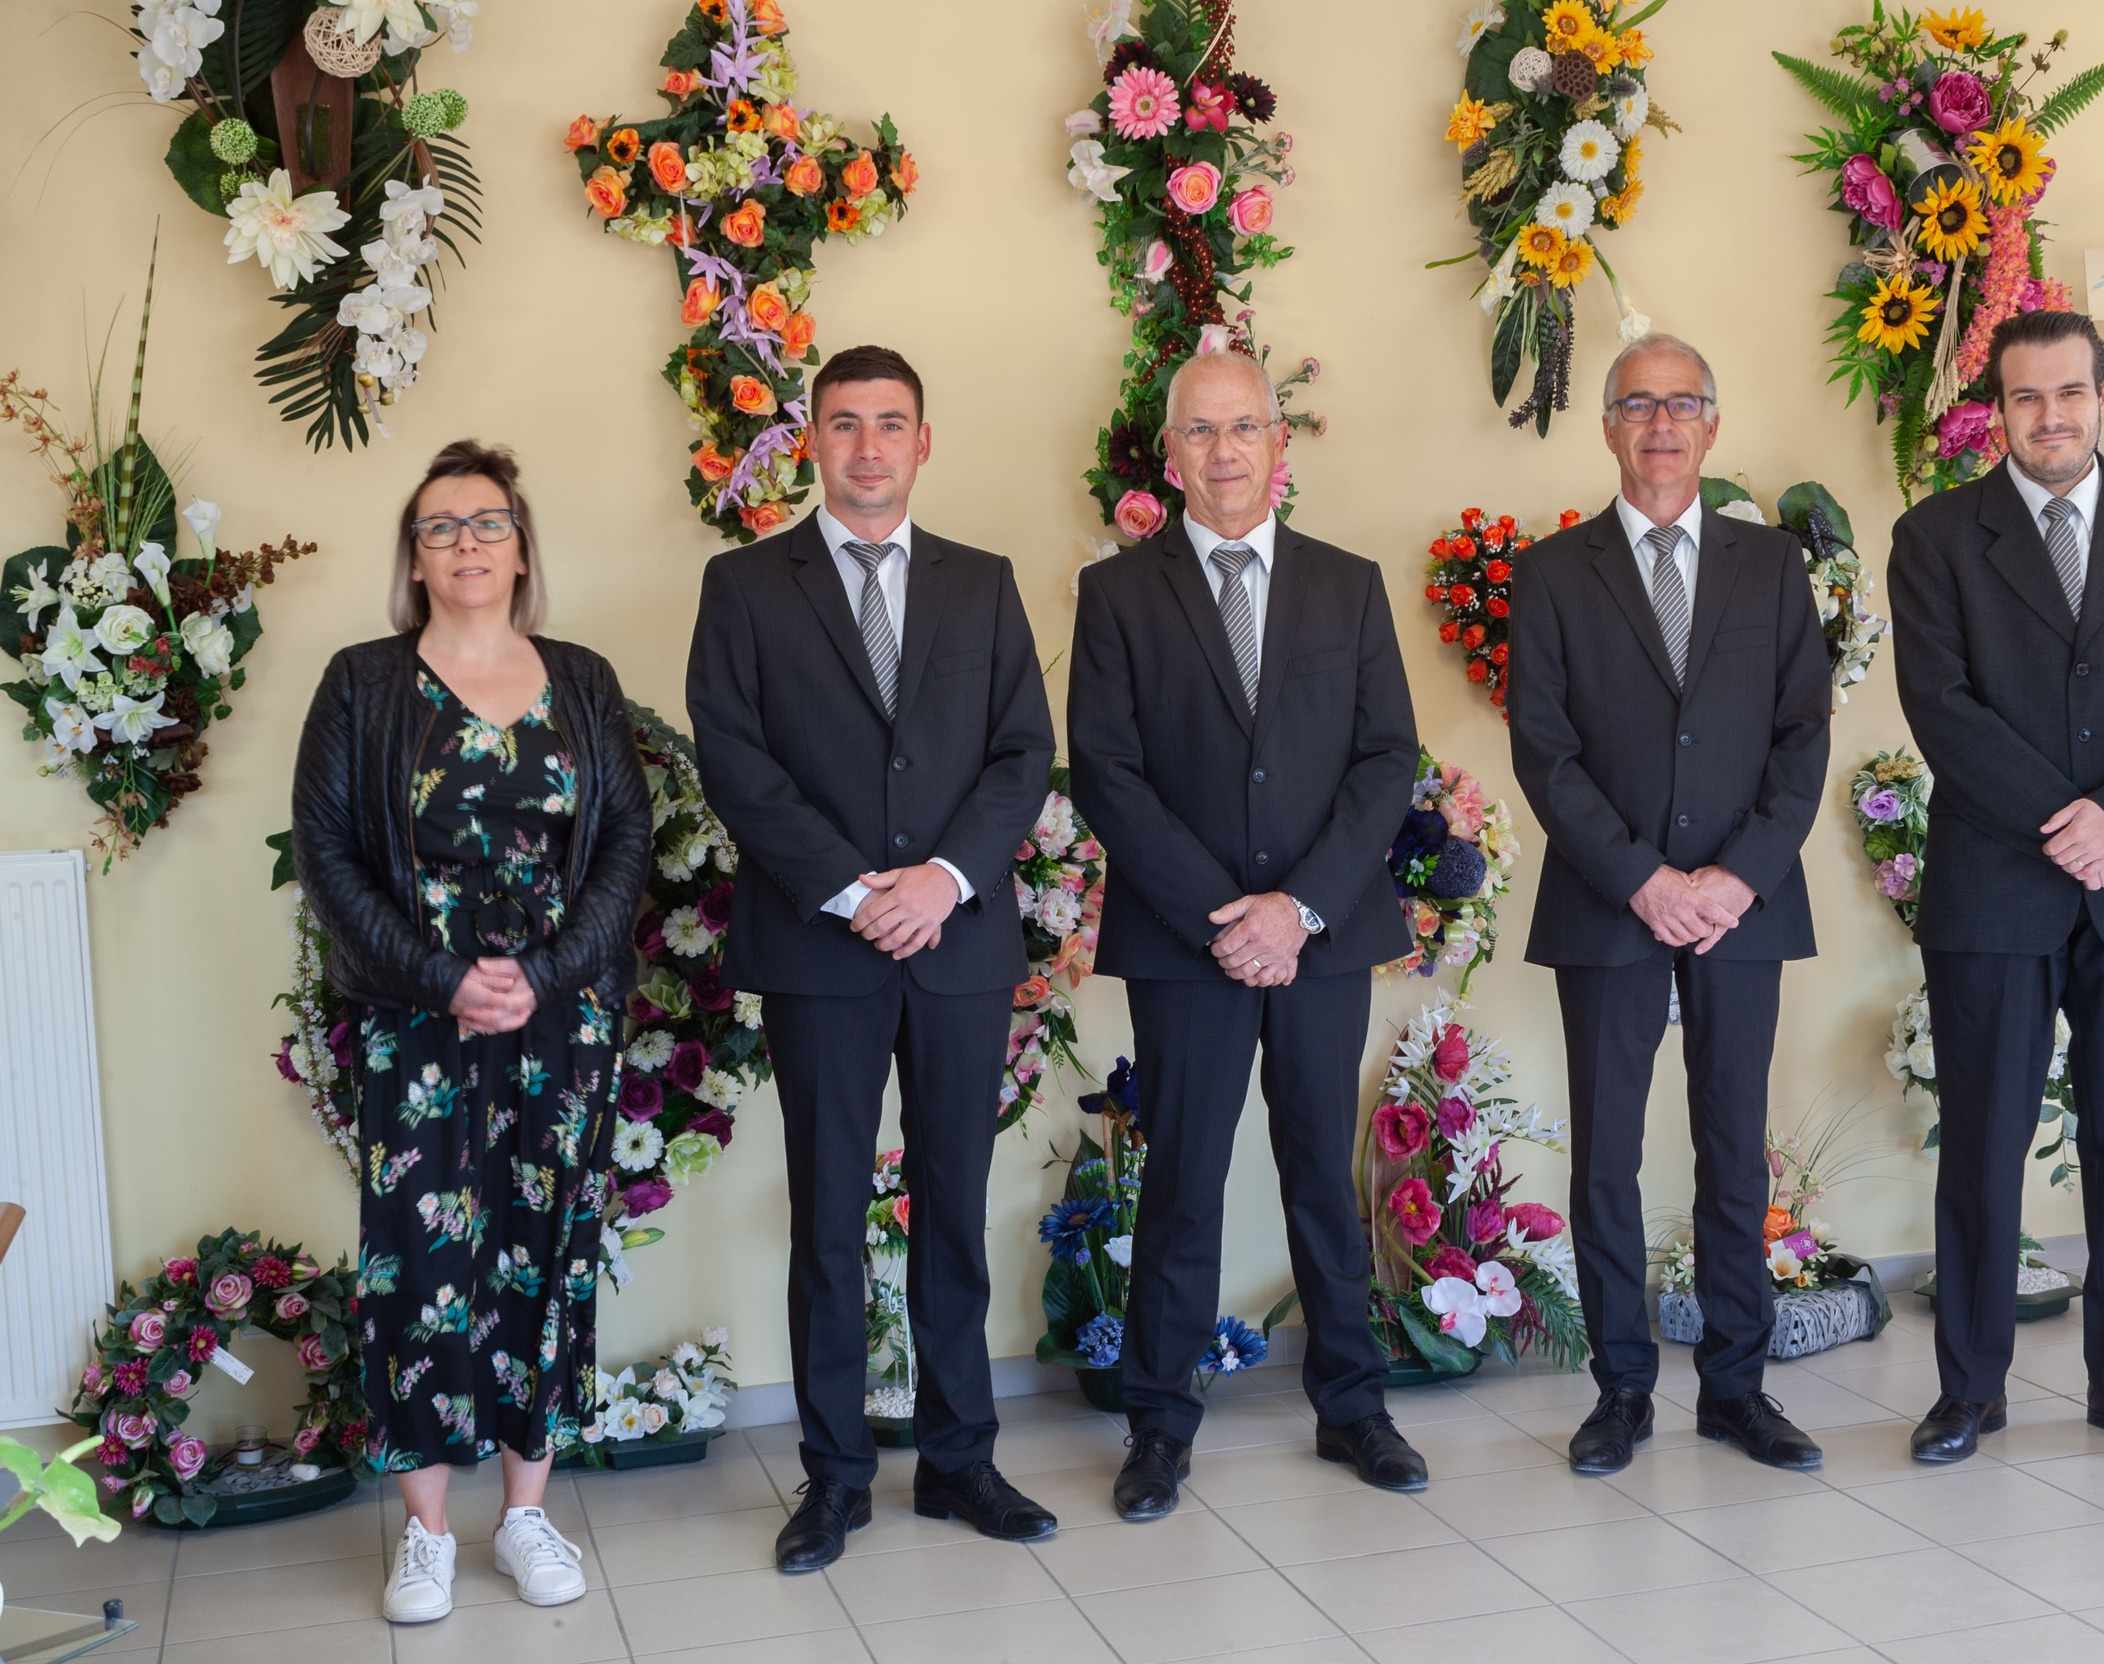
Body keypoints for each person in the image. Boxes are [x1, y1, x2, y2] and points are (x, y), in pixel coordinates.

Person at [686, 344, 1057, 1569]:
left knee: (954, 1206)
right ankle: (834, 1476)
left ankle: (960, 1461)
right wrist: (854, 890)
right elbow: (737, 759)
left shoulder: (983, 581)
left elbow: (1019, 754)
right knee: (831, 1216)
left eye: (890, 422)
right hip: (822, 947)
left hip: (956, 941)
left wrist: (942, 880)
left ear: (923, 439)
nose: (867, 447)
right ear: (811, 438)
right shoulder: (744, 584)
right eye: (843, 424)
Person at [292, 440, 650, 1624]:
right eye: (440, 526)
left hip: (564, 1013)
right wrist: (443, 976)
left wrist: (544, 971)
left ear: (522, 542)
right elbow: (330, 855)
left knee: (545, 1247)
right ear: (413, 552)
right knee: (421, 1258)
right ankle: (429, 1534)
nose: (466, 543)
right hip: (415, 1017)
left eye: (486, 521)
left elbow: (622, 850)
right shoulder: (362, 681)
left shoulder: (584, 678)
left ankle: (529, 1514)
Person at [1068, 349, 1426, 1520]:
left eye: (1245, 428)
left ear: (1280, 444)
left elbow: (1385, 759)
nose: (1225, 451)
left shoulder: (1348, 583)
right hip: (1188, 943)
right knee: (1182, 1179)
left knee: (1327, 1169)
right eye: (1201, 432)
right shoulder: (1117, 593)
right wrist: (1226, 915)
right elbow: (1109, 773)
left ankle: (1354, 1408)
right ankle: (1159, 1424)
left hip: (1320, 934)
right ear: (1169, 455)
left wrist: (1298, 908)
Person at [1889, 309, 2104, 1465]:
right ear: (1999, 406)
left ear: (2103, 397)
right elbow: (1942, 707)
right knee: (1983, 1139)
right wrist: (2064, 820)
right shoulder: (1935, 536)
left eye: (2071, 394)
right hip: (1997, 879)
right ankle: (1970, 1389)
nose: (2052, 417)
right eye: (2028, 398)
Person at [1506, 335, 1832, 1476]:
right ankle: (1623, 1389)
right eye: (1637, 404)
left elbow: (1802, 737)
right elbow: (1544, 753)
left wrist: (1734, 876)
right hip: (1610, 905)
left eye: (1682, 402)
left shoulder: (1771, 565)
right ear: (1606, 426)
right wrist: (1643, 876)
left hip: (1747, 901)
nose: (1660, 423)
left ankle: (1737, 1387)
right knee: (1607, 1155)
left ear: (1712, 423)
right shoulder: (1552, 572)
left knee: (1734, 1149)